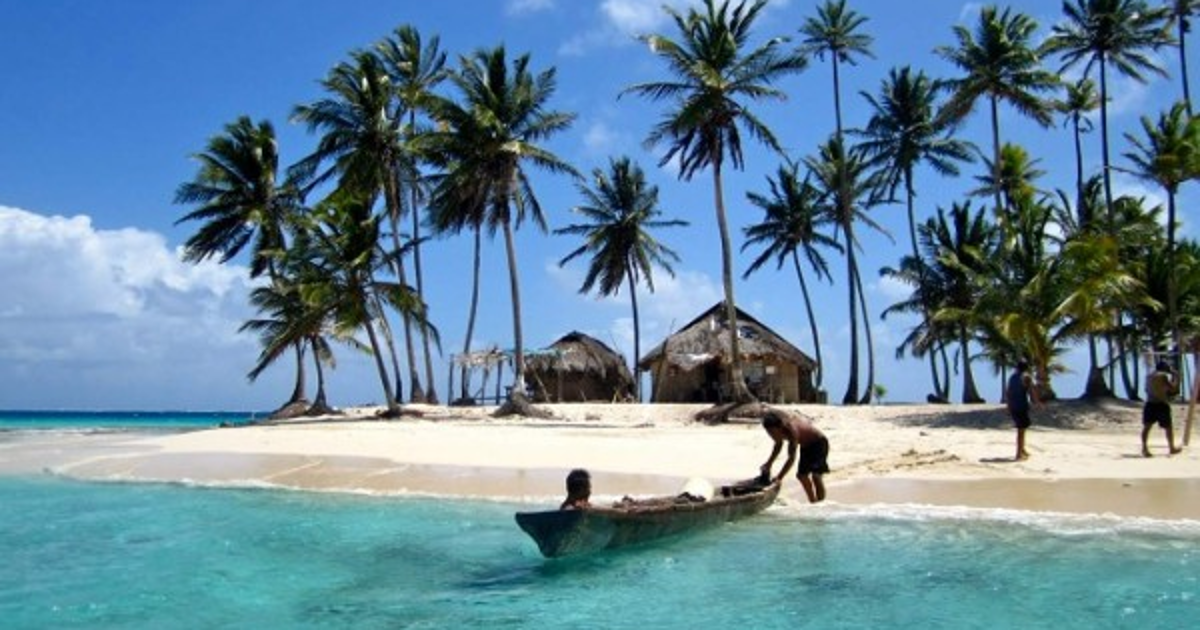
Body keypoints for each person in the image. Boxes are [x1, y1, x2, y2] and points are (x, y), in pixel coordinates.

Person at [759, 408, 829, 503]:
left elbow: (791, 458)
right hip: (806, 446)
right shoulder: (777, 432)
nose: (771, 435)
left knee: (816, 475)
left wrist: (779, 477)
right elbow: (778, 446)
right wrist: (769, 463)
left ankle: (820, 503)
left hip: (819, 443)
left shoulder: (791, 431)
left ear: (780, 427)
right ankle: (813, 502)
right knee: (801, 476)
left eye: (772, 432)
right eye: (769, 432)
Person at [1142, 361, 1182, 457]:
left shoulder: (1148, 376)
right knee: (1168, 427)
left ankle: (1144, 448)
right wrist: (1177, 377)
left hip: (1150, 404)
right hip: (1161, 404)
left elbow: (1146, 390)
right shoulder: (1163, 376)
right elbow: (1173, 389)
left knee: (1147, 427)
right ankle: (1171, 448)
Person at [1006, 360, 1039, 461]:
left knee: (1021, 429)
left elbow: (1008, 392)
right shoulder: (1026, 377)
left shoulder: (1012, 377)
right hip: (1021, 406)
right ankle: (1018, 454)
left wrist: (1008, 406)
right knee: (1021, 431)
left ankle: (1022, 449)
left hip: (1013, 406)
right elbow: (1031, 391)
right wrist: (1037, 403)